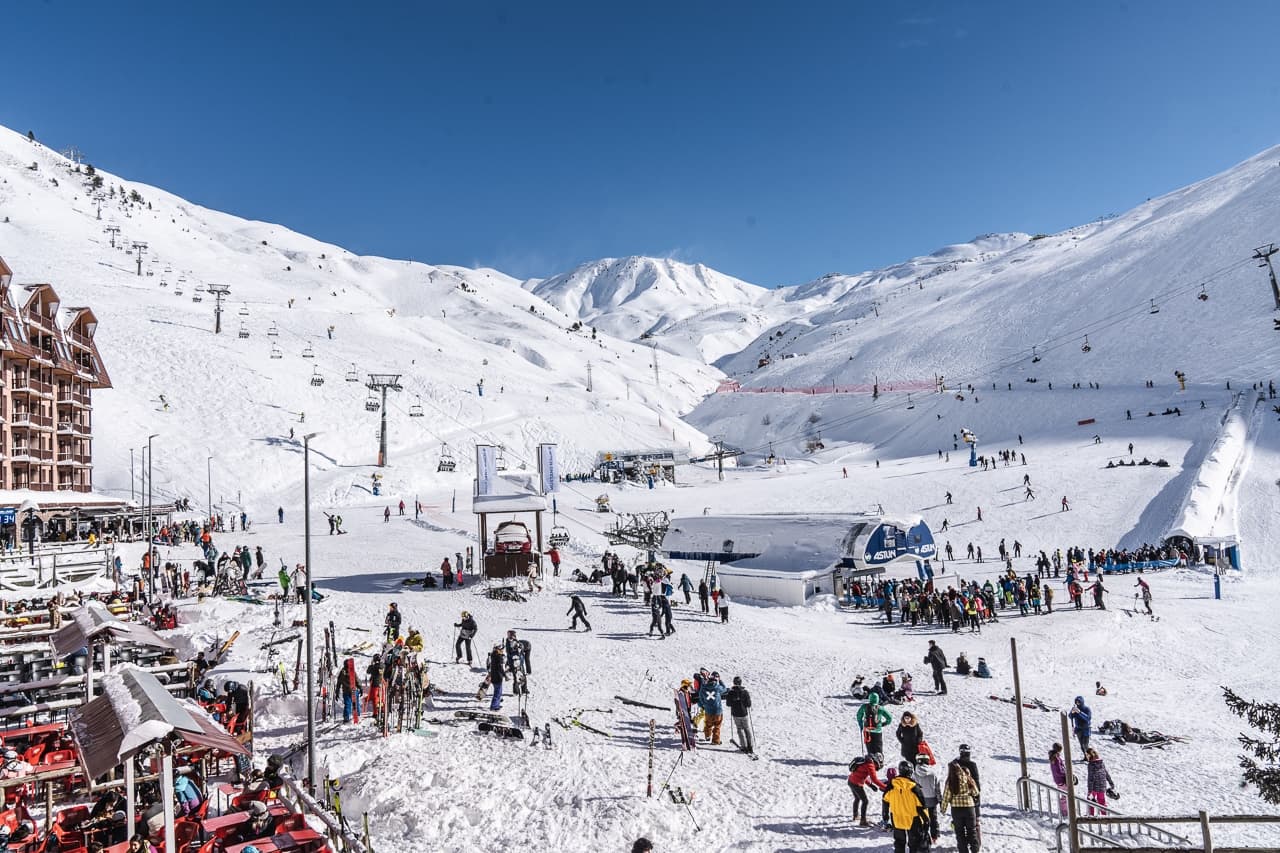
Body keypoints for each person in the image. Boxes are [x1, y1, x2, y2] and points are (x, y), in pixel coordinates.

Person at [883, 761, 930, 853]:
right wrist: (926, 821)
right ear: (911, 772)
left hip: (897, 819)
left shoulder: (892, 785)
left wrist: (885, 817)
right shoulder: (914, 788)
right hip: (912, 819)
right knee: (914, 844)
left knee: (899, 843)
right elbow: (921, 806)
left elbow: (885, 801)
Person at [941, 761, 981, 853]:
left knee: (960, 832)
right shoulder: (968, 778)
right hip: (969, 808)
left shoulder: (950, 781)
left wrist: (943, 809)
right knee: (972, 831)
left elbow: (946, 797)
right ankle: (975, 850)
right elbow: (976, 792)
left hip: (956, 810)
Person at [847, 754, 886, 827]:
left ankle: (855, 815)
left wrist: (870, 785)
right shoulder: (870, 765)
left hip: (851, 781)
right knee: (865, 801)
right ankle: (863, 821)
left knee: (857, 798)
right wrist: (885, 787)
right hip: (856, 784)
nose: (878, 767)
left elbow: (862, 775)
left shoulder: (867, 762)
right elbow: (875, 780)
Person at [914, 753, 941, 843]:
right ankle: (934, 836)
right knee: (933, 818)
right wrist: (940, 800)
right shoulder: (933, 773)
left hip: (920, 800)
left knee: (922, 819)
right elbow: (937, 788)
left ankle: (923, 836)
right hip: (932, 799)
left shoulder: (914, 774)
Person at [724, 676, 754, 754]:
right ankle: (750, 746)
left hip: (736, 714)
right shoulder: (745, 692)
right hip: (744, 713)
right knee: (747, 729)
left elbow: (728, 704)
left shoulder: (731, 692)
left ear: (734, 683)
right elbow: (748, 704)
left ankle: (743, 746)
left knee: (740, 729)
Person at [698, 671, 727, 745]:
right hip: (718, 711)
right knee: (717, 726)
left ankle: (707, 736)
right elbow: (724, 688)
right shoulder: (717, 687)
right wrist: (720, 680)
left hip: (708, 710)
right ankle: (715, 740)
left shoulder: (703, 689)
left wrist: (703, 706)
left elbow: (700, 699)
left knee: (708, 724)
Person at [1084, 747, 1113, 814]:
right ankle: (1104, 816)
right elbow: (1106, 773)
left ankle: (1091, 815)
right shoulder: (1101, 763)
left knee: (1090, 800)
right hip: (1102, 785)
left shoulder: (1091, 765)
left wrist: (1090, 790)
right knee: (1102, 801)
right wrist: (1111, 782)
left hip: (1094, 787)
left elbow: (1091, 778)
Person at [1049, 742, 1068, 816]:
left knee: (1064, 795)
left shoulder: (1054, 757)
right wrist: (1066, 774)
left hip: (1058, 779)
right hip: (1061, 779)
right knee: (1064, 796)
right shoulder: (1056, 758)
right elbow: (1059, 770)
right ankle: (1064, 811)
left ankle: (1064, 810)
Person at [486, 644, 506, 710]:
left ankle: (497, 704)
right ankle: (494, 706)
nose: (502, 651)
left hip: (494, 676)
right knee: (497, 693)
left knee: (499, 692)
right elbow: (500, 668)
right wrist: (505, 675)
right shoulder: (499, 657)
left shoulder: (493, 655)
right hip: (498, 677)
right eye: (501, 650)